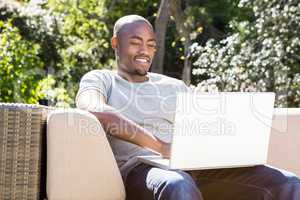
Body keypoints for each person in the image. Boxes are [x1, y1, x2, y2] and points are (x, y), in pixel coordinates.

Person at [76, 15, 300, 200]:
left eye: (151, 45)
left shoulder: (174, 86)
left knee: (288, 183)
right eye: (135, 42)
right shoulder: (101, 79)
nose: (145, 51)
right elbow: (95, 109)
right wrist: (161, 147)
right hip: (142, 170)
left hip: (194, 168)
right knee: (178, 184)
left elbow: (202, 126)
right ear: (116, 43)